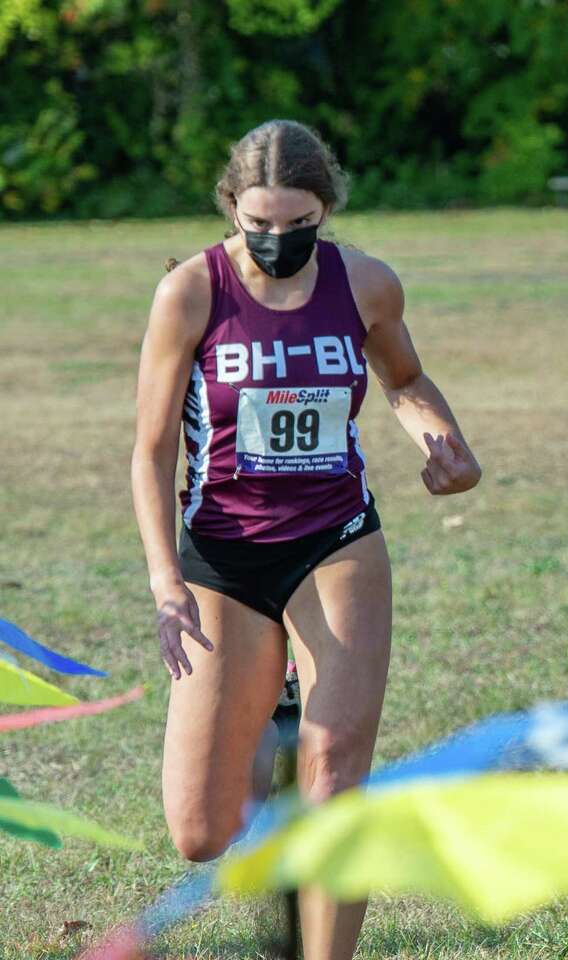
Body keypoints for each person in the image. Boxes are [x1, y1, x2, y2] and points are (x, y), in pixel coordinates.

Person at [131, 119, 481, 960]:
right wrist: (165, 579)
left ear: (326, 210)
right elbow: (148, 450)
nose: (278, 241)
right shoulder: (191, 291)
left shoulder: (365, 285)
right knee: (201, 832)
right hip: (223, 551)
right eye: (260, 224)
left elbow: (404, 379)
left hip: (336, 539)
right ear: (230, 207)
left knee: (335, 776)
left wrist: (444, 442)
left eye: (298, 225)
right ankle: (266, 704)